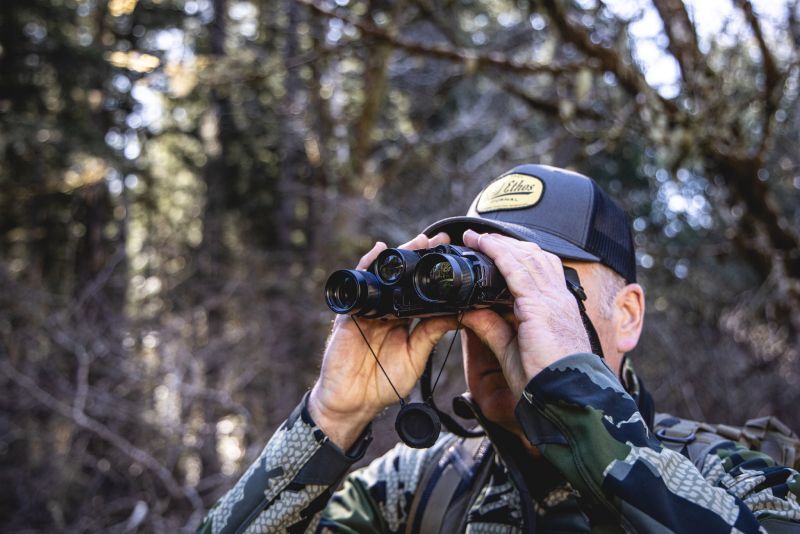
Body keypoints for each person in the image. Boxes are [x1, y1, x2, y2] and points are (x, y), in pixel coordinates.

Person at [198, 164, 800, 533]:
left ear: (627, 315)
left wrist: (577, 398)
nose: (497, 317)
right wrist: (331, 419)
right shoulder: (412, 492)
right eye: (482, 281)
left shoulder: (735, 477)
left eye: (533, 281)